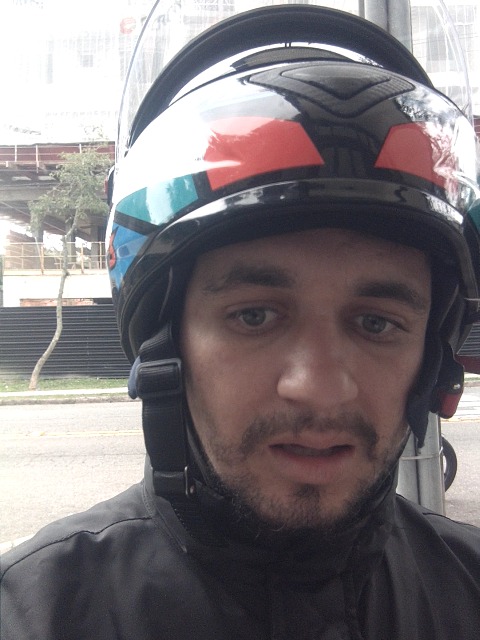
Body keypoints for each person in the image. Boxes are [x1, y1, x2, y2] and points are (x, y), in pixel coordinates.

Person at [2, 3, 480, 638]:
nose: (318, 388)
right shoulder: (34, 615)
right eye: (254, 316)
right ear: (165, 343)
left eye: (376, 324)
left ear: (432, 360)